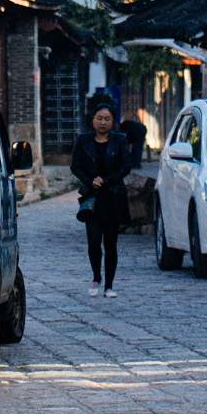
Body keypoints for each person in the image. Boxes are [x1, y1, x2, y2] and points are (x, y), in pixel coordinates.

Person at [70, 99, 133, 299]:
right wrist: (90, 180)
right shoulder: (83, 140)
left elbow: (126, 166)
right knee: (93, 241)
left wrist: (106, 180)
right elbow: (75, 166)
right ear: (93, 119)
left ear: (113, 121)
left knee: (111, 243)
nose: (103, 123)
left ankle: (109, 285)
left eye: (107, 119)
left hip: (113, 196)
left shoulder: (120, 139)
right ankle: (96, 276)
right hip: (92, 197)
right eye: (99, 118)